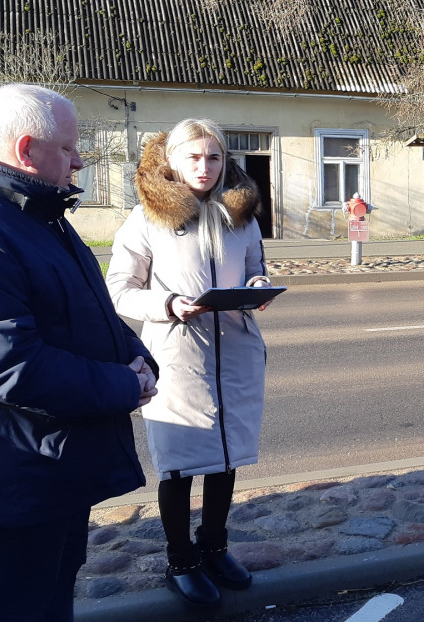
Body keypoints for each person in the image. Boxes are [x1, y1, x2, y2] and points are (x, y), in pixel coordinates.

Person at [0, 84, 156, 621]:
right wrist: (126, 383)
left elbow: (87, 310)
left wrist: (139, 357)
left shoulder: (35, 215)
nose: (79, 160)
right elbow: (11, 367)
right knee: (23, 605)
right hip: (22, 466)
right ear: (26, 150)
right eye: (68, 148)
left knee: (52, 593)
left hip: (56, 454)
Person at [107, 119, 271, 607]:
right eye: (193, 157)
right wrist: (168, 304)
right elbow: (118, 290)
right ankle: (180, 561)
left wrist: (259, 287)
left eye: (214, 157)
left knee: (226, 458)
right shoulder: (146, 218)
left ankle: (214, 547)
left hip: (236, 353)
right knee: (179, 466)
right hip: (177, 356)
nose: (205, 167)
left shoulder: (241, 216)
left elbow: (256, 269)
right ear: (172, 160)